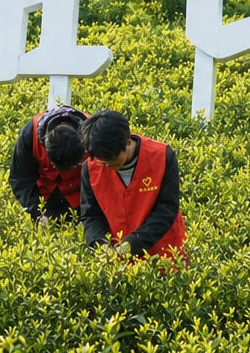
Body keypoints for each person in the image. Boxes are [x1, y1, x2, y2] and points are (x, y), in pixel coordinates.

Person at [78, 109, 185, 260]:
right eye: (102, 161)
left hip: (164, 251)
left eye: (112, 160)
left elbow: (166, 209)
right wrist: (100, 244)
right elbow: (91, 215)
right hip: (118, 257)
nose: (107, 166)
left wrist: (132, 244)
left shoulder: (162, 156)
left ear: (127, 143)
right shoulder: (89, 168)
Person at [8, 105, 86, 223]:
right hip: (43, 197)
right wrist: (36, 212)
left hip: (83, 199)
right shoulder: (30, 133)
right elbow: (20, 179)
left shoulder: (94, 134)